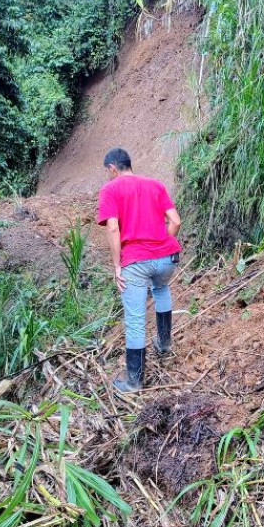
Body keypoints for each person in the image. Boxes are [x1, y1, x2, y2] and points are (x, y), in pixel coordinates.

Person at [97, 147, 182, 392]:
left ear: (113, 169)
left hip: (135, 261)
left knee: (135, 318)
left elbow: (113, 228)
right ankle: (164, 344)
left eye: (107, 172)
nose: (107, 176)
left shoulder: (110, 189)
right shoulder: (155, 185)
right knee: (161, 287)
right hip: (167, 257)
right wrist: (161, 245)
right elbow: (175, 221)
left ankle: (134, 380)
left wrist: (117, 266)